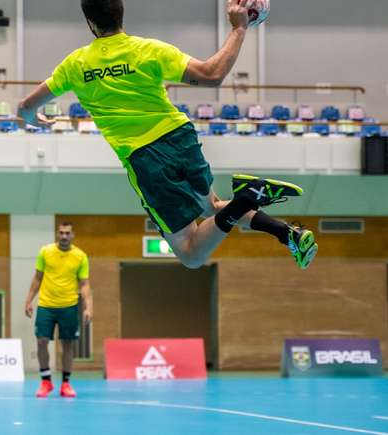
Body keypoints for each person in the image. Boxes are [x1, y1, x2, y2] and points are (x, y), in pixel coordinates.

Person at [17, 0, 318, 270]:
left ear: (90, 23)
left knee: (191, 254)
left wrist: (35, 119)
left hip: (145, 159)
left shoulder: (75, 64)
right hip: (179, 137)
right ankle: (288, 233)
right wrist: (239, 29)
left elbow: (25, 107)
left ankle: (248, 197)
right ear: (121, 14)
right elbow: (211, 74)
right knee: (211, 208)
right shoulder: (149, 50)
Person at [24, 222, 92, 398]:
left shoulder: (80, 256)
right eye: (61, 233)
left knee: (67, 344)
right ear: (57, 234)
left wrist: (88, 307)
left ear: (72, 235)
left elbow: (84, 284)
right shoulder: (45, 252)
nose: (64, 236)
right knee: (41, 341)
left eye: (67, 233)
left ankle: (66, 384)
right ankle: (46, 381)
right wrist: (28, 300)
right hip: (46, 305)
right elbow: (37, 278)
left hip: (68, 306)